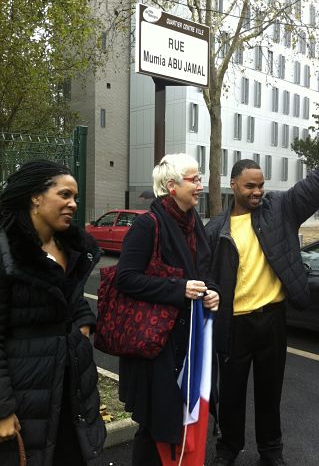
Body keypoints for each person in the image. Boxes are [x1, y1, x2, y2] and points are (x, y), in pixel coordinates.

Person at [205, 124, 319, 466]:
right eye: (250, 186)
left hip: (273, 321)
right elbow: (206, 278)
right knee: (231, 395)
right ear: (233, 185)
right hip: (233, 326)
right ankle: (228, 450)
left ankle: (271, 452)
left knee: (269, 394)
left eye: (261, 185)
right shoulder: (215, 230)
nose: (257, 192)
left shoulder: (280, 209)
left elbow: (316, 184)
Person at [116, 153, 220, 465]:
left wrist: (213, 292)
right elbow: (126, 279)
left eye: (200, 178)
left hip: (188, 343)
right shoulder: (148, 224)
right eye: (194, 179)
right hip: (157, 347)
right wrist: (179, 289)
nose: (200, 185)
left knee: (180, 419)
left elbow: (205, 273)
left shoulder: (194, 224)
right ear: (171, 186)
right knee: (155, 425)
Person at [0, 160, 106, 466]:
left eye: (75, 197)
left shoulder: (71, 247)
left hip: (72, 389)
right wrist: (4, 409)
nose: (73, 204)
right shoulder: (7, 250)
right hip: (26, 395)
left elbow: (70, 299)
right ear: (36, 196)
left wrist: (84, 325)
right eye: (64, 195)